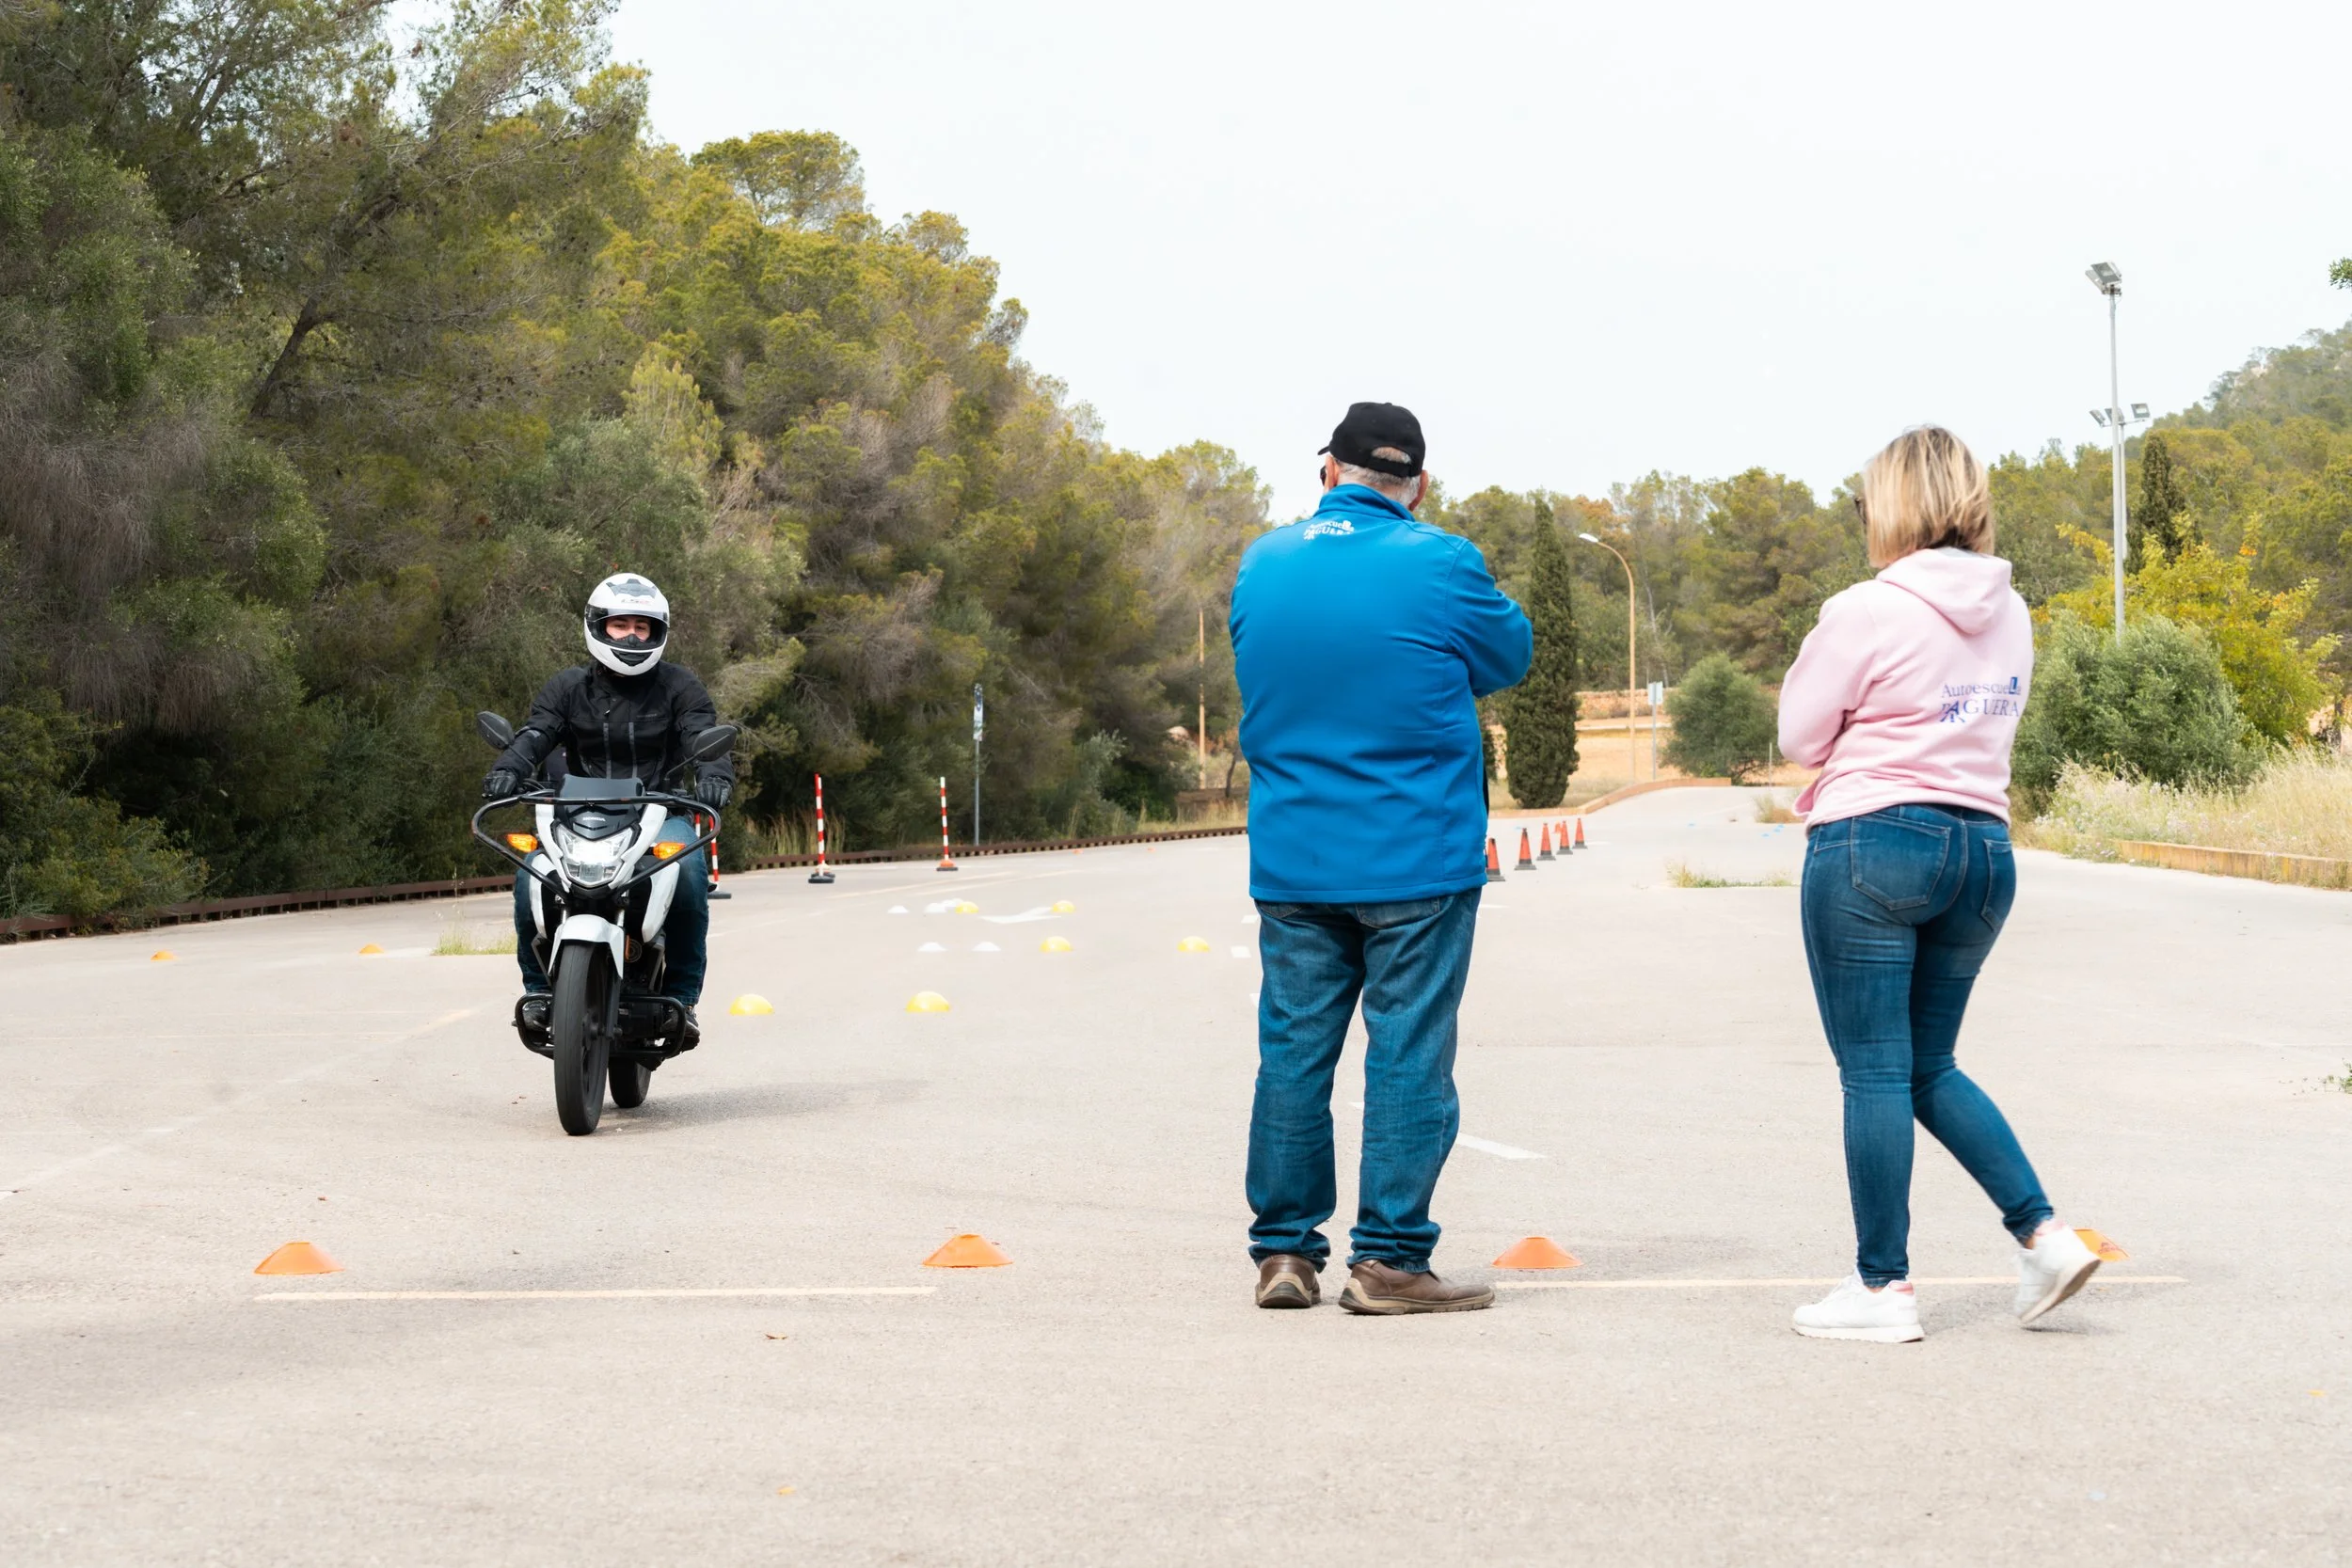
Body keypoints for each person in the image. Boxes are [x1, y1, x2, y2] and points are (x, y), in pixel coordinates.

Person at [1778, 425, 2101, 1344]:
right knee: (1928, 1064)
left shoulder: (1864, 609)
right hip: (1982, 849)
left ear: (1888, 508)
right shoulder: (2014, 612)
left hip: (1873, 839)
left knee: (1875, 1067)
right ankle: (2041, 1233)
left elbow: (1800, 735)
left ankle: (1881, 1287)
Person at [1229, 403, 1533, 1315]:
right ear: (1419, 484)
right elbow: (1508, 655)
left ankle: (1284, 1251)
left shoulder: (1263, 561)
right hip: (1416, 858)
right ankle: (1391, 1258)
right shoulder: (1441, 561)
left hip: (1293, 856)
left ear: (1329, 471)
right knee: (1406, 1054)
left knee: (1292, 1052)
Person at [483, 573, 735, 1037]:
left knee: (690, 873)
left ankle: (682, 998)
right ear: (598, 627)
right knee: (529, 877)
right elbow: (535, 733)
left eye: (643, 626)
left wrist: (714, 779)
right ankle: (539, 991)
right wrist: (509, 769)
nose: (633, 635)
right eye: (621, 625)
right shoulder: (567, 687)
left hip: (661, 814)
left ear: (658, 632)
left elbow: (703, 736)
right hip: (579, 818)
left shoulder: (680, 686)